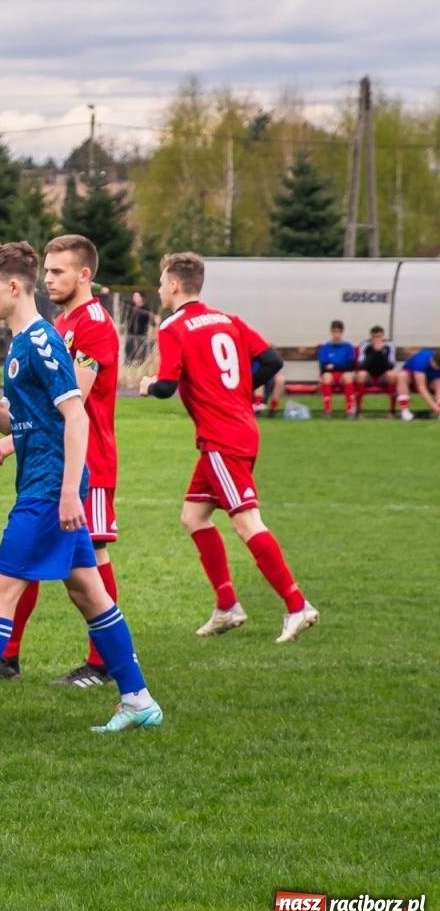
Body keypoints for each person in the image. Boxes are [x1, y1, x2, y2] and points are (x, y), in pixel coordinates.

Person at [0, 241, 163, 736]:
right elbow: (12, 419)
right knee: (90, 594)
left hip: (46, 490)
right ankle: (138, 699)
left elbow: (75, 414)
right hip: (42, 484)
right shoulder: (23, 345)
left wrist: (66, 494)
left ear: (14, 287)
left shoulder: (41, 342)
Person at [140, 252, 319, 642]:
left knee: (246, 521)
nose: (158, 289)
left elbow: (167, 386)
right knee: (193, 516)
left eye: (160, 281)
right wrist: (237, 391)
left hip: (222, 436)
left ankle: (296, 604)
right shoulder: (228, 320)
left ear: (173, 285)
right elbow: (271, 361)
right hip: (235, 429)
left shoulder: (174, 327)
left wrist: (148, 385)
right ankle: (227, 606)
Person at [0, 234, 125, 687]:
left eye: (58, 272)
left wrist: (16, 437)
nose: (48, 279)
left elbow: (74, 400)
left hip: (89, 461)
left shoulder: (94, 325)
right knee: (40, 559)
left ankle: (102, 664)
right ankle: (7, 654)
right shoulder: (61, 323)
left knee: (92, 563)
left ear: (85, 275)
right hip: (54, 455)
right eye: (45, 271)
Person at [317, 320, 358, 418]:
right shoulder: (325, 347)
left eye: (338, 332)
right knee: (326, 376)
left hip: (343, 375)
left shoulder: (348, 347)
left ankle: (349, 410)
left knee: (348, 376)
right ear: (331, 332)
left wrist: (334, 366)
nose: (336, 335)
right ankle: (328, 410)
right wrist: (338, 367)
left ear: (342, 332)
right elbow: (323, 368)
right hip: (331, 376)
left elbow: (350, 366)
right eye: (334, 332)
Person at [356, 326, 398, 417]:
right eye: (374, 337)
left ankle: (392, 411)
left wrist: (382, 352)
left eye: (379, 337)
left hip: (383, 375)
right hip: (369, 376)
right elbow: (362, 365)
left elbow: (391, 365)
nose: (377, 339)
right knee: (360, 375)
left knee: (392, 375)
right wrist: (373, 351)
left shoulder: (389, 345)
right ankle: (359, 411)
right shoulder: (365, 345)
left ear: (383, 336)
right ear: (371, 337)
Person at [396, 347, 440, 422]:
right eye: (436, 367)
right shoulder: (421, 360)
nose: (437, 369)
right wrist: (432, 405)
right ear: (432, 360)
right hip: (412, 379)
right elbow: (421, 387)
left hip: (430, 381)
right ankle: (404, 411)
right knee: (402, 376)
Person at [125, 290, 155, 364]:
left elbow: (151, 319)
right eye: (134, 296)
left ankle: (141, 363)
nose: (135, 298)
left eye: (137, 296)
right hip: (131, 333)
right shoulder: (130, 306)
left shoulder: (146, 308)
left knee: (141, 351)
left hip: (142, 333)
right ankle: (128, 363)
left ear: (142, 298)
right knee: (129, 349)